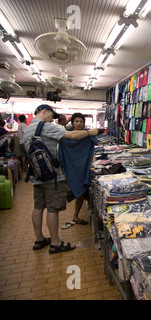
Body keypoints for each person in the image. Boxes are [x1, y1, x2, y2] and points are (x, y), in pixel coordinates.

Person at [24, 104, 103, 254]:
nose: (51, 119)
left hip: (36, 175)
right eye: (51, 116)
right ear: (44, 111)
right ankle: (55, 243)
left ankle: (39, 238)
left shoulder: (29, 128)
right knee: (53, 209)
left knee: (38, 207)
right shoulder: (44, 126)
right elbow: (72, 135)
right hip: (52, 176)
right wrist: (90, 133)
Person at [61, 113, 91, 229]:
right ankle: (89, 212)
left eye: (81, 122)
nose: (79, 123)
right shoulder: (67, 137)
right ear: (72, 123)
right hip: (72, 170)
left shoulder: (87, 136)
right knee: (79, 192)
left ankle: (75, 216)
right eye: (77, 121)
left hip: (83, 169)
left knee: (81, 192)